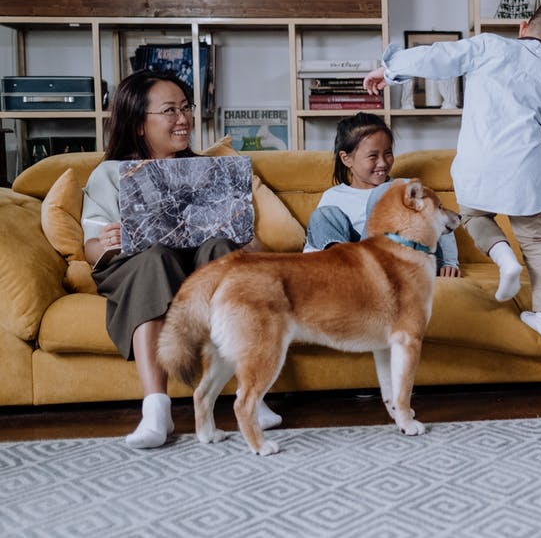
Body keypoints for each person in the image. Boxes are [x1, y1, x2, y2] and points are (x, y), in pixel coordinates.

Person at [81, 69, 281, 448]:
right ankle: (156, 409)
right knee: (154, 258)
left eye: (186, 108)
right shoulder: (109, 174)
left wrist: (241, 239)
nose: (184, 119)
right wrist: (108, 240)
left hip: (198, 265)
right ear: (140, 123)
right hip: (140, 265)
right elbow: (92, 248)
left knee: (221, 251)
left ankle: (250, 396)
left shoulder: (209, 171)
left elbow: (248, 244)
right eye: (170, 110)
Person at [364, 0, 541, 339]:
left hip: (478, 162)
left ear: (523, 27)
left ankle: (503, 260)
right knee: (537, 243)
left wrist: (390, 70)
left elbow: (436, 57)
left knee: (472, 217)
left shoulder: (490, 45)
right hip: (525, 167)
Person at [304, 112, 460, 277]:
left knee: (385, 192)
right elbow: (316, 238)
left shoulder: (403, 188)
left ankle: (362, 269)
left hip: (405, 258)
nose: (383, 163)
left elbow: (440, 220)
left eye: (388, 153)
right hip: (355, 259)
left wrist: (449, 263)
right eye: (373, 156)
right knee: (323, 214)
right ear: (346, 159)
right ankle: (346, 266)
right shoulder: (333, 196)